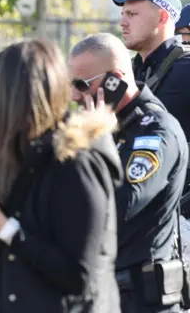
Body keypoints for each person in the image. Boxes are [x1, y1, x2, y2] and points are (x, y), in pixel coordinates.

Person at [0, 38, 122, 312]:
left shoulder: (76, 163)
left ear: (21, 94)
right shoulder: (27, 154)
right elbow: (20, 247)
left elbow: (80, 275)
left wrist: (1, 224)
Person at [69, 33, 188, 312]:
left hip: (140, 297)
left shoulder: (155, 131)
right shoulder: (106, 128)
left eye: (81, 85)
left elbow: (122, 204)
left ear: (114, 79)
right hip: (104, 291)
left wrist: (97, 145)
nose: (75, 95)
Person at [112, 0, 190, 139]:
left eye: (132, 14)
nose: (123, 23)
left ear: (161, 18)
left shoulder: (186, 69)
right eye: (123, 14)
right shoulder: (128, 71)